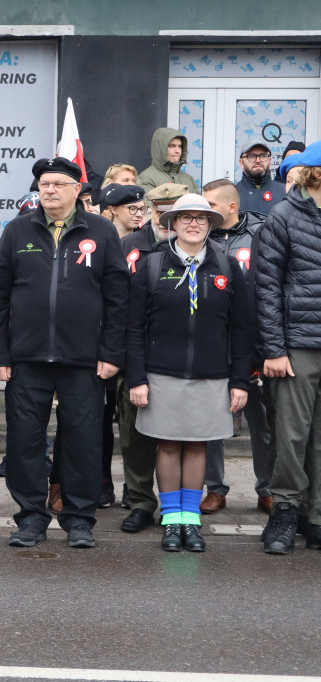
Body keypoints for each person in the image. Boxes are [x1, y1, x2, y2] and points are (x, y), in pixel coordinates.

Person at [0, 157, 129, 549]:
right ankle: (31, 518)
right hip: (26, 360)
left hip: (84, 359)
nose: (48, 190)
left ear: (75, 190)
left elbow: (118, 299)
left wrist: (111, 352)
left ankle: (79, 518)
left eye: (58, 184)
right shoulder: (17, 231)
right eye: (43, 184)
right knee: (25, 441)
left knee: (83, 440)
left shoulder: (100, 232)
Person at [127, 193, 251, 552]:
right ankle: (170, 520)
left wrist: (239, 380)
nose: (194, 224)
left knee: (197, 444)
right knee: (167, 443)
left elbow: (242, 329)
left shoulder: (227, 267)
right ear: (172, 223)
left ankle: (190, 521)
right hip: (161, 374)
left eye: (201, 218)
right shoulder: (151, 266)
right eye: (186, 218)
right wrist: (137, 378)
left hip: (212, 375)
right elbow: (134, 328)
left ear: (211, 224)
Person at [256, 141, 321, 554]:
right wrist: (274, 349)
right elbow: (266, 289)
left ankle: (315, 517)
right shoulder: (283, 216)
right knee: (291, 435)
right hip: (297, 344)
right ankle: (285, 512)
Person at [115, 182, 187, 533]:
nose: (164, 217)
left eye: (171, 210)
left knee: (181, 437)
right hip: (136, 354)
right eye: (158, 209)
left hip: (179, 358)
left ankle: (178, 506)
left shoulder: (199, 249)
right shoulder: (128, 245)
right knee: (135, 435)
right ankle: (140, 501)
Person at [202, 178, 272, 515]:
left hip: (256, 345)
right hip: (214, 345)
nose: (204, 212)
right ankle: (215, 489)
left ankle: (267, 489)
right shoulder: (199, 240)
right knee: (212, 423)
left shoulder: (263, 234)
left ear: (232, 206)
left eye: (211, 205)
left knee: (263, 424)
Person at [137, 128, 199, 194]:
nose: (177, 151)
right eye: (172, 146)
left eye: (180, 146)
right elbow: (149, 203)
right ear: (160, 149)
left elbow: (200, 203)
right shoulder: (146, 178)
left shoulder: (189, 179)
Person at [235, 140, 285, 215]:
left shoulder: (284, 192)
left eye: (263, 156)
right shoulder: (233, 194)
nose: (258, 160)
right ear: (241, 162)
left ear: (269, 161)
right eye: (251, 156)